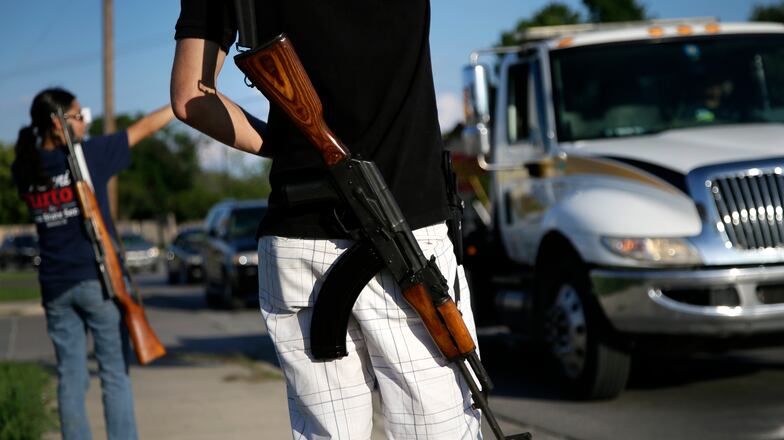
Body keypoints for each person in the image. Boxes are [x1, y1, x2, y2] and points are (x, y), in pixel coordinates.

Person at [170, 1, 481, 439]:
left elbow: (190, 98)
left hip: (298, 243)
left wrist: (299, 147)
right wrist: (324, 143)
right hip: (411, 234)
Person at [11, 88, 174, 440]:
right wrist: (186, 100)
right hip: (97, 281)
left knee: (70, 376)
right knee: (115, 374)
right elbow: (144, 128)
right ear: (58, 124)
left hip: (54, 286)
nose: (86, 121)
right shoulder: (90, 156)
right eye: (78, 115)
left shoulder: (25, 166)